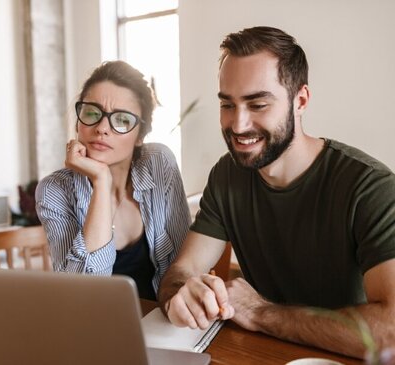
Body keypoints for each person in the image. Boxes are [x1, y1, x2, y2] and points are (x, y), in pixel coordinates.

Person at [158, 26, 395, 358]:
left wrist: (261, 313)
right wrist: (183, 295)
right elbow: (181, 272)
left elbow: (391, 331)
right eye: (228, 104)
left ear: (300, 101)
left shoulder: (371, 188)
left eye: (257, 105)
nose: (238, 125)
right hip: (264, 354)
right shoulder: (228, 175)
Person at [36, 60, 191, 300]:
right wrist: (100, 181)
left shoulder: (159, 163)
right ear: (79, 121)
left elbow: (183, 263)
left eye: (121, 120)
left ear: (140, 135)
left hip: (164, 320)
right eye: (92, 113)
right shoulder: (55, 190)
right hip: (94, 325)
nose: (102, 128)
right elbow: (80, 294)